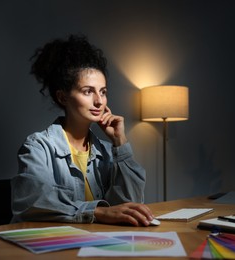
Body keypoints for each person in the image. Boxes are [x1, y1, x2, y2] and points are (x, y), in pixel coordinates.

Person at [11, 34, 155, 226]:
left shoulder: (106, 151)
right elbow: (33, 203)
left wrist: (120, 142)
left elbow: (130, 204)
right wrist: (99, 212)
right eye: (88, 91)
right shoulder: (38, 147)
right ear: (63, 98)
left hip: (93, 245)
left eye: (103, 92)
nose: (99, 101)